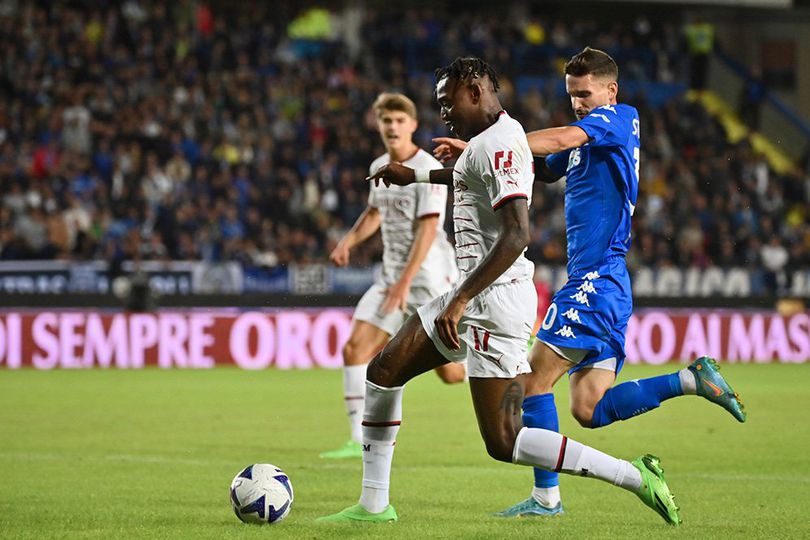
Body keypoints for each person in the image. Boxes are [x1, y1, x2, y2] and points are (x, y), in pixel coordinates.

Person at [318, 57, 681, 526]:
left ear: (474, 91)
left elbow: (516, 235)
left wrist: (463, 296)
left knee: (505, 442)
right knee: (384, 370)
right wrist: (422, 174)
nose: (443, 112)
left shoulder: (574, 126)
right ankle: (373, 506)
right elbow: (494, 171)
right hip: (471, 292)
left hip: (494, 300)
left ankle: (633, 475)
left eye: (447, 101)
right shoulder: (493, 145)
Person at [434, 47, 746, 519]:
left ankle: (547, 498)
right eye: (571, 94)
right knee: (588, 408)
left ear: (610, 90)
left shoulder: (617, 119)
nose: (578, 102)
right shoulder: (585, 141)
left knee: (534, 383)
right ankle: (690, 379)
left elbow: (555, 140)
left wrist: (487, 142)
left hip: (594, 281)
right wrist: (458, 163)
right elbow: (534, 163)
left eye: (585, 93)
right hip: (605, 284)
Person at [320, 92, 466, 460]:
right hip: (390, 279)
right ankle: (356, 438)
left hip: (426, 280)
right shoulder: (380, 165)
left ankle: (493, 344)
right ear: (379, 125)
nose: (393, 126)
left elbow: (428, 230)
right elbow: (375, 212)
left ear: (413, 125)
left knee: (451, 375)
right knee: (355, 349)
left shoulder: (427, 168)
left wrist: (405, 283)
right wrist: (347, 241)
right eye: (387, 120)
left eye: (400, 120)